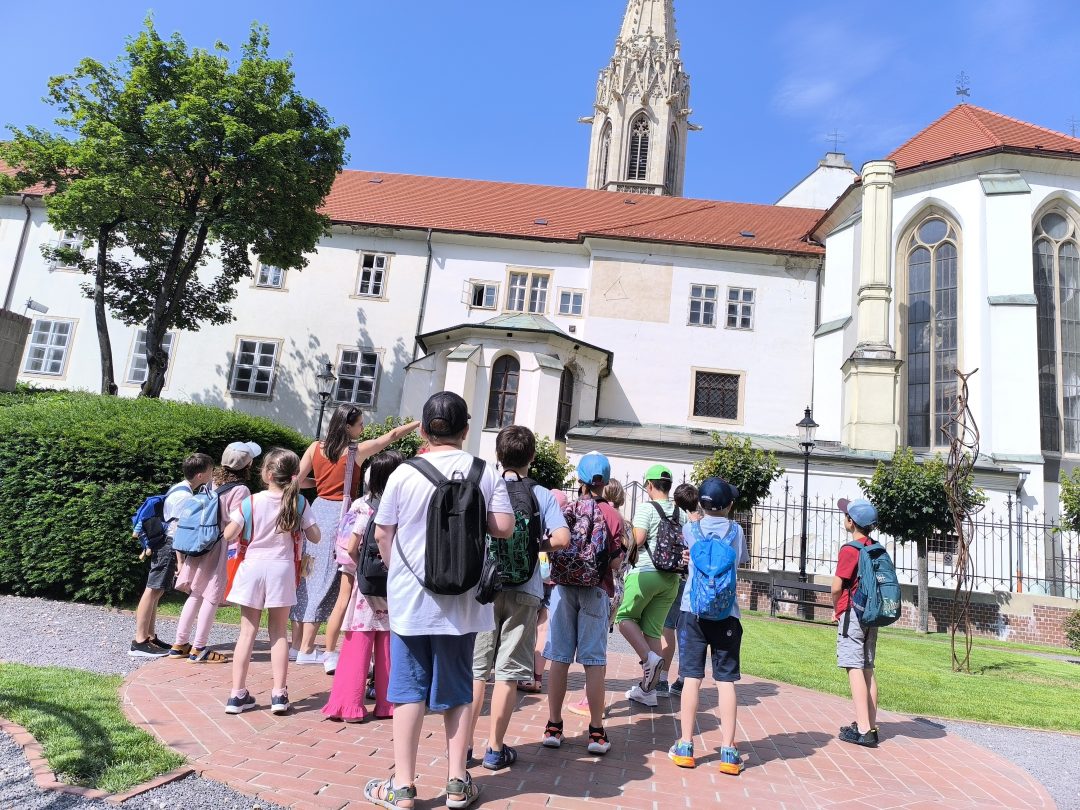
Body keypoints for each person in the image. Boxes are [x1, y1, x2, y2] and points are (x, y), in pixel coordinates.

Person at [364, 392, 514, 810]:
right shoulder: (484, 472)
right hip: (464, 601)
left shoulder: (404, 473)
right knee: (458, 688)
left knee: (408, 690)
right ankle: (457, 783)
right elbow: (503, 527)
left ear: (425, 431)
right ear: (466, 429)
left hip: (412, 599)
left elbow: (382, 533)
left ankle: (403, 787)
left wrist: (399, 571)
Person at [469, 426, 570, 771]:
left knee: (477, 670)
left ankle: (464, 746)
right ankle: (495, 749)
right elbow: (562, 538)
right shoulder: (541, 493)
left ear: (498, 455)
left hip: (485, 587)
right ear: (532, 457)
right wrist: (534, 544)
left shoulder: (485, 487)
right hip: (526, 588)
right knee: (508, 672)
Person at [293, 405, 419, 670]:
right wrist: (418, 423)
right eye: (360, 424)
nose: (362, 428)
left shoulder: (315, 447)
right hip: (340, 514)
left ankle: (298, 644)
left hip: (317, 511)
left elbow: (297, 481)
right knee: (327, 580)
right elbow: (392, 436)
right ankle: (307, 648)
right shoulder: (355, 452)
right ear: (348, 426)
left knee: (308, 576)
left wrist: (319, 483)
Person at [223, 448, 320, 715]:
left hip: (252, 567)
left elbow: (230, 534)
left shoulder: (251, 501)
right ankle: (279, 693)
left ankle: (236, 695)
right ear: (294, 475)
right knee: (278, 632)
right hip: (282, 569)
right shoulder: (299, 502)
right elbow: (315, 536)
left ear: (267, 474)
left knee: (247, 632)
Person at [542, 452, 624, 757]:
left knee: (559, 657)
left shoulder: (566, 508)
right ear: (605, 481)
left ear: (579, 479)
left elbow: (553, 544)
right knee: (594, 661)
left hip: (563, 588)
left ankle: (553, 727)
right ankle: (596, 732)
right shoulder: (613, 515)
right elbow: (615, 563)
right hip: (596, 590)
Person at [668, 477, 747, 774]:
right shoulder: (737, 531)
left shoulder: (691, 529)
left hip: (693, 611)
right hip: (727, 614)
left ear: (701, 504)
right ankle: (728, 751)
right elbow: (739, 562)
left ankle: (685, 746)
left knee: (691, 678)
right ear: (729, 505)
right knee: (725, 681)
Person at [323, 450, 405, 723]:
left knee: (358, 642)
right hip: (393, 586)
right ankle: (388, 704)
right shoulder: (401, 508)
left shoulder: (365, 506)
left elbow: (351, 547)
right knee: (388, 643)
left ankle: (348, 705)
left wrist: (360, 567)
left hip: (366, 586)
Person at [170, 443, 259, 663]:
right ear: (247, 465)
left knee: (196, 593)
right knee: (211, 596)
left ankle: (179, 644)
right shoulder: (241, 489)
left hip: (201, 542)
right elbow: (236, 523)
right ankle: (199, 648)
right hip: (219, 546)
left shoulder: (214, 481)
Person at [130, 453, 214, 658]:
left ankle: (149, 636)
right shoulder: (185, 497)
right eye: (211, 471)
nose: (212, 474)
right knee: (152, 590)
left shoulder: (180, 488)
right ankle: (139, 642)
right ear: (201, 475)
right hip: (168, 545)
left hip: (163, 543)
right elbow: (178, 530)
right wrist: (180, 561)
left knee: (156, 591)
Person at [617, 464, 686, 707]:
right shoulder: (681, 513)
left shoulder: (646, 508)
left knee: (622, 616)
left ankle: (648, 659)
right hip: (672, 580)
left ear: (649, 485)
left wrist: (622, 537)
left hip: (646, 573)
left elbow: (638, 539)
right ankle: (649, 691)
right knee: (653, 631)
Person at [567, 477, 627, 718]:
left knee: (593, 651)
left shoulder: (595, 513)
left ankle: (591, 702)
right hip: (616, 587)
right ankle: (592, 698)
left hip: (598, 583)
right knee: (600, 645)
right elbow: (622, 559)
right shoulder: (623, 521)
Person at [832, 497, 882, 748]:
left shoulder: (850, 549)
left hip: (852, 613)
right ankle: (870, 724)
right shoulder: (875, 547)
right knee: (867, 668)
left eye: (846, 515)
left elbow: (836, 586)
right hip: (871, 614)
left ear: (851, 522)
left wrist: (836, 609)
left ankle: (863, 731)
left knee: (853, 666)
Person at [520, 487, 568, 695]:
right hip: (554, 581)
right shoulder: (563, 524)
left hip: (534, 579)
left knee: (526, 626)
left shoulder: (537, 519)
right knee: (543, 629)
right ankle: (537, 678)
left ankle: (523, 674)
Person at [657, 482, 700, 696]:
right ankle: (683, 678)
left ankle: (662, 679)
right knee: (687, 632)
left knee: (667, 628)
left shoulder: (677, 518)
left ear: (676, 501)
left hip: (674, 577)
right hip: (694, 583)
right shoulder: (700, 523)